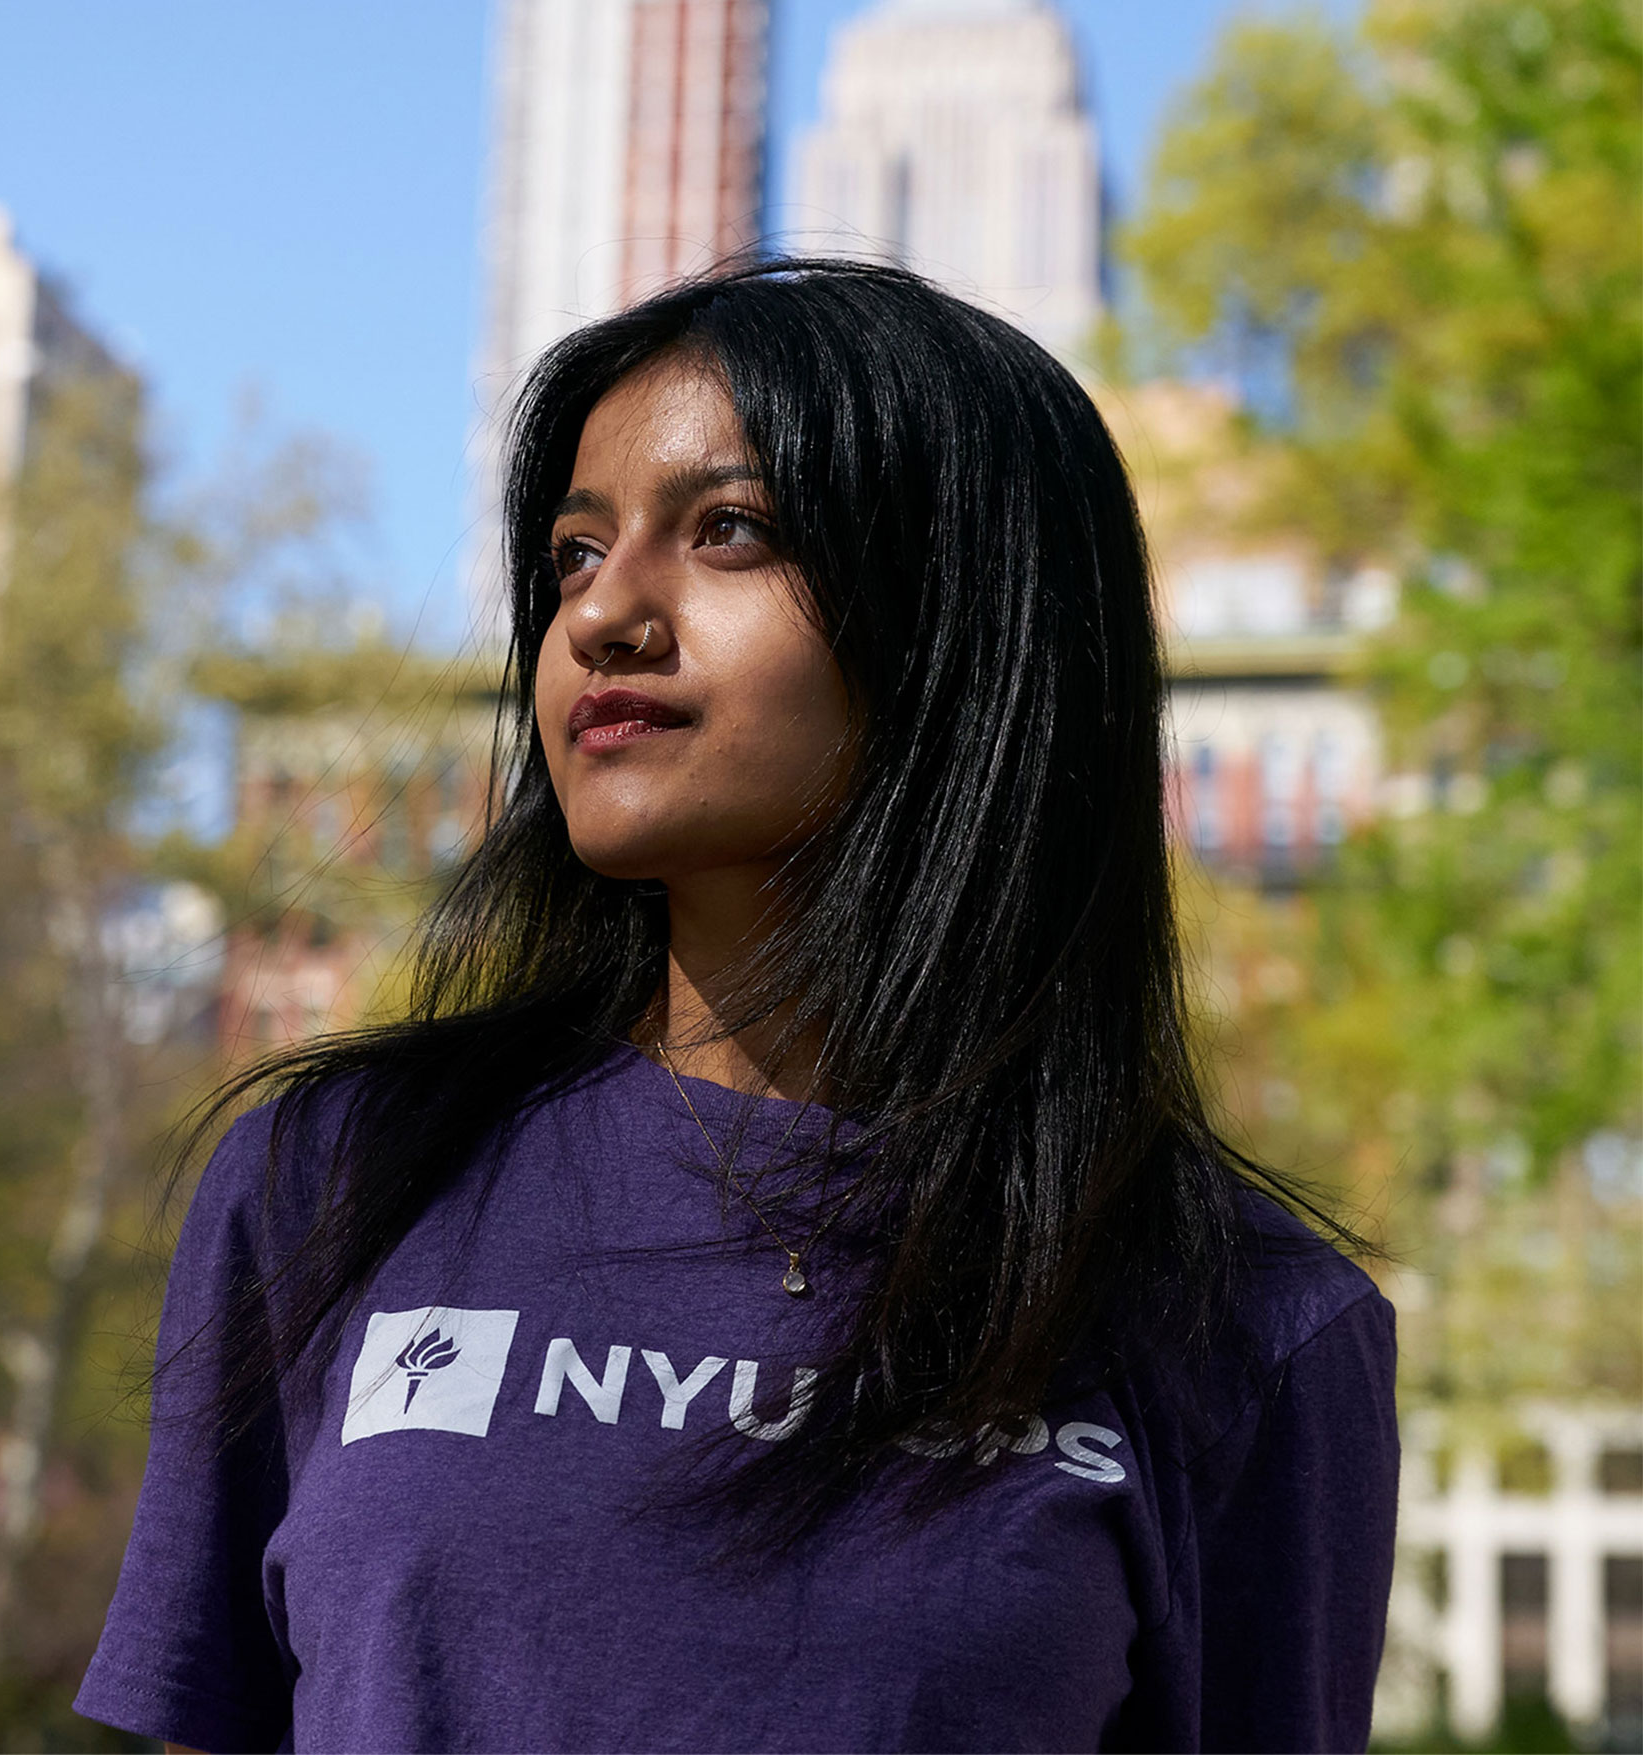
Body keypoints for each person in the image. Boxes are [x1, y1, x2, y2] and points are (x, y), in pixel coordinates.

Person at [73, 260, 1397, 1752]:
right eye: (575, 553)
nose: (604, 612)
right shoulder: (333, 1179)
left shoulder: (1247, 1320)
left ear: (968, 621)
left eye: (732, 530)